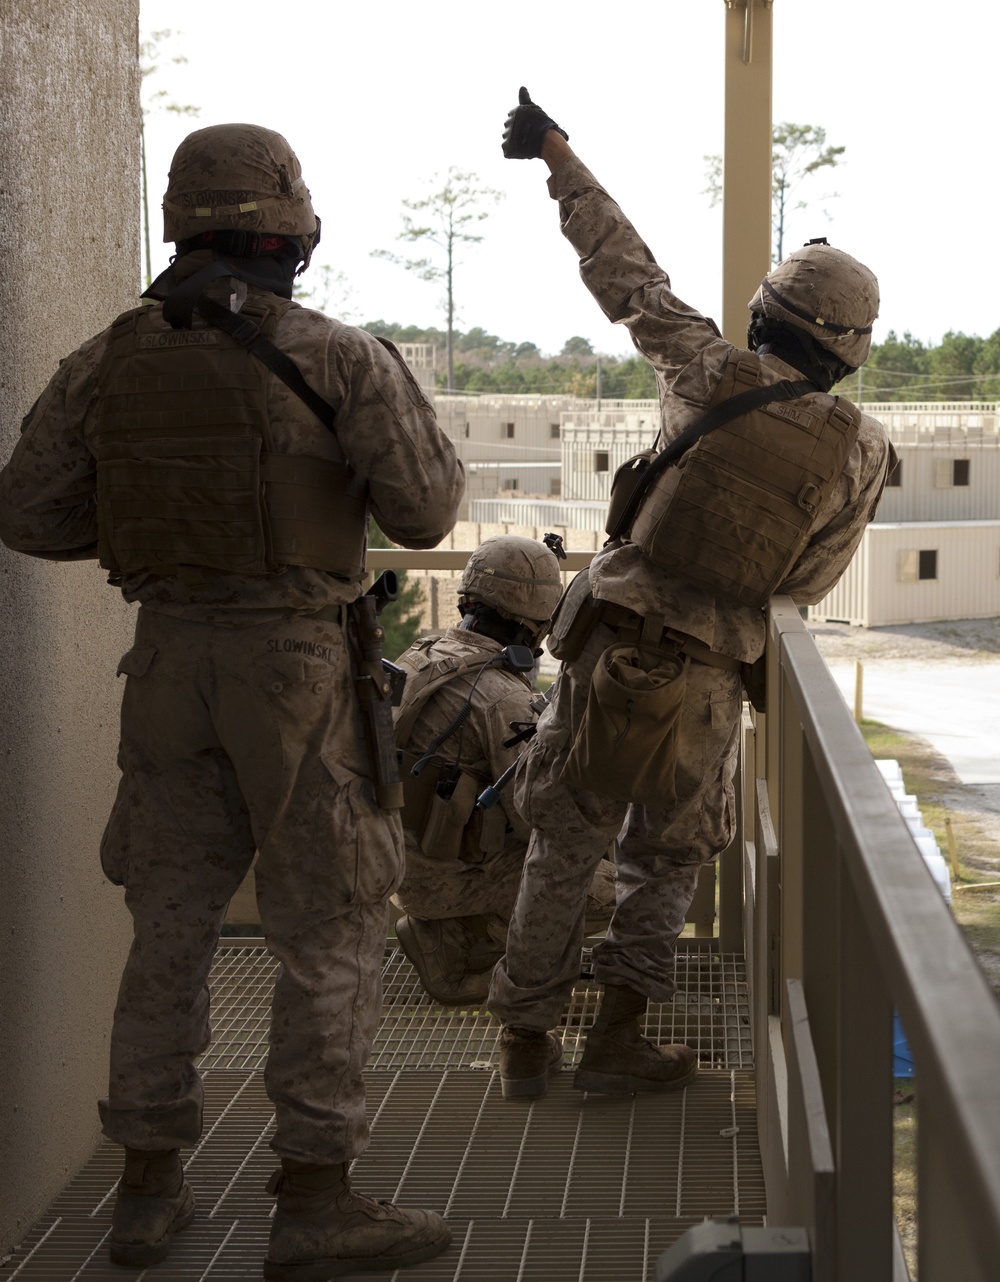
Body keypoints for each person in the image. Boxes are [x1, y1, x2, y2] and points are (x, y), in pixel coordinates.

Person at [0, 123, 464, 1279]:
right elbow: (422, 511)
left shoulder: (110, 357)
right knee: (329, 929)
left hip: (165, 665)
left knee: (169, 926)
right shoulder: (338, 355)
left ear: (183, 225)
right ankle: (316, 1199)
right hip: (298, 674)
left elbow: (30, 513)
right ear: (290, 227)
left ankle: (146, 1190)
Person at [487, 90, 896, 1102]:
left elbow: (623, 270)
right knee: (666, 856)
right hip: (708, 672)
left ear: (765, 313)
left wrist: (557, 157)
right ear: (847, 350)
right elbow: (808, 580)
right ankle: (616, 1038)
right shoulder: (861, 451)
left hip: (603, 642)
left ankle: (525, 1040)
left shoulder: (704, 367)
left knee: (565, 838)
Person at [391, 534, 617, 1005]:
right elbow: (539, 816)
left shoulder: (422, 654)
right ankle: (458, 945)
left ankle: (449, 928)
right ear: (533, 627)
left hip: (391, 862)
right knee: (608, 889)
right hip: (440, 880)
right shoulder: (501, 697)